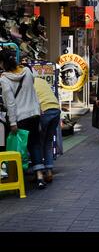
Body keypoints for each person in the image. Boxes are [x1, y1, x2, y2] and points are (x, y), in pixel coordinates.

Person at [0, 49, 46, 189]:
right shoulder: (27, 71)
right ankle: (39, 177)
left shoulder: (4, 79)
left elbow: (11, 103)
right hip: (34, 114)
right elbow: (32, 89)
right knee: (35, 144)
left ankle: (16, 177)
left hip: (20, 117)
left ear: (3, 63)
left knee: (18, 147)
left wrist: (13, 122)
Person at [34, 77, 61, 183]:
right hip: (55, 109)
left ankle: (39, 172)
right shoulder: (42, 80)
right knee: (48, 143)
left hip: (44, 110)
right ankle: (49, 172)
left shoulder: (28, 82)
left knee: (39, 143)